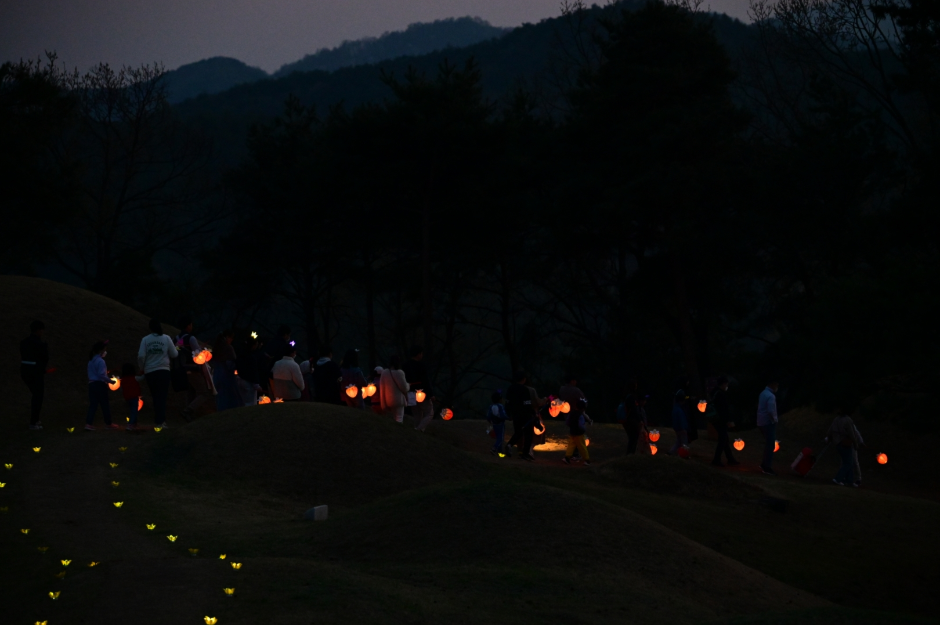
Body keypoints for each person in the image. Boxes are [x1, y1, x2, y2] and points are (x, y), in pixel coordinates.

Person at [138, 318, 179, 429]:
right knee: (162, 396)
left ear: (150, 328)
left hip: (150, 372)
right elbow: (174, 354)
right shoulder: (166, 338)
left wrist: (142, 368)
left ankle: (158, 421)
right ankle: (161, 421)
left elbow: (141, 356)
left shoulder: (145, 340)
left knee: (155, 396)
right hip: (163, 371)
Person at [176, 317, 215, 421]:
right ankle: (187, 411)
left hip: (181, 369)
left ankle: (188, 415)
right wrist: (203, 350)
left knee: (191, 392)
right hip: (193, 368)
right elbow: (197, 354)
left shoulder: (177, 338)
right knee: (204, 393)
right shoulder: (190, 338)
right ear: (188, 325)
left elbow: (177, 350)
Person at [20, 320, 50, 430]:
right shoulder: (39, 344)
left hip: (25, 370)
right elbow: (44, 358)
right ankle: (34, 422)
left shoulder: (24, 342)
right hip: (35, 372)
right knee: (38, 396)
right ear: (38, 330)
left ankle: (35, 419)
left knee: (36, 395)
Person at [86, 341, 118, 431]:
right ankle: (108, 423)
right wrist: (110, 381)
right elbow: (101, 375)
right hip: (100, 385)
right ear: (101, 351)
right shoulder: (101, 361)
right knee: (105, 404)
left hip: (92, 384)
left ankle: (88, 423)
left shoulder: (91, 361)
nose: (105, 352)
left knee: (93, 404)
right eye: (104, 350)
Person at [506, 370, 538, 459]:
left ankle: (510, 445)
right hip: (525, 415)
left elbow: (507, 403)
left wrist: (509, 414)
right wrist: (533, 414)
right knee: (528, 434)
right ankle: (525, 453)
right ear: (524, 379)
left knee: (518, 432)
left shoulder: (510, 388)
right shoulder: (525, 390)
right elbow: (527, 404)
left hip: (515, 414)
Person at [402, 346, 435, 431]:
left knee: (417, 414)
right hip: (422, 392)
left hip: (410, 392)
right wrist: (431, 394)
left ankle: (417, 429)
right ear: (418, 354)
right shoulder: (421, 366)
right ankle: (419, 429)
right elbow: (426, 381)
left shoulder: (405, 366)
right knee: (429, 413)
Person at [710, 377, 740, 467]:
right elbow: (723, 410)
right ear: (723, 384)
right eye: (726, 384)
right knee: (723, 439)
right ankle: (716, 459)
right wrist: (728, 420)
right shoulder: (720, 394)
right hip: (720, 420)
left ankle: (730, 458)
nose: (727, 386)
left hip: (716, 419)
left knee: (724, 439)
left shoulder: (714, 393)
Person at [826, 409, 860, 486]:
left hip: (837, 443)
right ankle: (837, 479)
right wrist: (855, 443)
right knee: (848, 463)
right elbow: (852, 433)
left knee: (848, 462)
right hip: (845, 443)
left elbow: (830, 430)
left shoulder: (836, 419)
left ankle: (849, 481)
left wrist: (828, 438)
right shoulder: (848, 420)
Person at [212, 329, 243, 411]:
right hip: (226, 375)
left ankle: (220, 410)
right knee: (229, 395)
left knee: (220, 395)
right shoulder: (228, 348)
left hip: (216, 374)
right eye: (231, 338)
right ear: (227, 337)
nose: (232, 340)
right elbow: (233, 362)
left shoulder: (216, 347)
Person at [756, 378, 780, 475]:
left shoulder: (763, 393)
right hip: (768, 422)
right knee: (770, 445)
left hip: (761, 422)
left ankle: (764, 464)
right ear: (773, 384)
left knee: (768, 444)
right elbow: (771, 410)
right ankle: (767, 467)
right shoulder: (771, 396)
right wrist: (775, 420)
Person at [379, 355, 410, 423]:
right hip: (398, 400)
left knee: (393, 417)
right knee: (399, 417)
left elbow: (382, 388)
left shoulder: (384, 373)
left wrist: (383, 403)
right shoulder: (400, 373)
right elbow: (404, 388)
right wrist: (408, 385)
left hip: (388, 400)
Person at [235, 335, 264, 406]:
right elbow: (253, 371)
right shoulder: (251, 357)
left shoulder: (240, 354)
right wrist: (256, 385)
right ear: (253, 345)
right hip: (248, 383)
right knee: (250, 403)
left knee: (242, 401)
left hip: (240, 379)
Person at [563, 397, 591, 466]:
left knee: (571, 445)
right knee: (582, 446)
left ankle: (567, 457)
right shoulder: (580, 415)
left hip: (572, 432)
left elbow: (567, 421)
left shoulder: (572, 413)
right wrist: (584, 429)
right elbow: (581, 425)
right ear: (583, 408)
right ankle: (587, 460)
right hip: (579, 434)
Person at [120, 363, 145, 431]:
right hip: (134, 397)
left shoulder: (122, 380)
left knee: (132, 410)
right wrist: (143, 372)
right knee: (134, 411)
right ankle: (131, 424)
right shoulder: (135, 378)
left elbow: (122, 389)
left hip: (127, 397)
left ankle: (134, 423)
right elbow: (142, 377)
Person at [487, 391, 509, 456]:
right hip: (500, 424)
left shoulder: (491, 406)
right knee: (500, 438)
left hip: (494, 424)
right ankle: (494, 448)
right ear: (500, 399)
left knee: (498, 437)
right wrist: (508, 418)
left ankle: (500, 452)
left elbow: (488, 416)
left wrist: (490, 421)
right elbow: (503, 415)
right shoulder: (500, 406)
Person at [669, 390, 689, 455]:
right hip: (681, 429)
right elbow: (681, 420)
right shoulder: (679, 410)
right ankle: (683, 454)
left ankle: (672, 452)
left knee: (679, 442)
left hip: (678, 428)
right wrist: (683, 428)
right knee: (684, 443)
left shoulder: (675, 408)